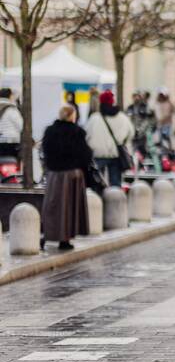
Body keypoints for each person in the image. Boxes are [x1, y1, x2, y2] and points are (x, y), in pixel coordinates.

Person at [40, 105, 91, 251]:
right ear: (72, 116)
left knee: (52, 206)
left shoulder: (50, 131)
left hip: (54, 175)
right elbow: (85, 154)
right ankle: (65, 240)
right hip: (72, 175)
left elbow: (45, 151)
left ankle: (46, 235)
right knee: (69, 209)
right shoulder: (77, 132)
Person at [85, 90, 134, 187]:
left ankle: (99, 200)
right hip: (116, 154)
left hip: (98, 155)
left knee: (97, 182)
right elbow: (131, 133)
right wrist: (122, 142)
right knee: (115, 184)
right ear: (112, 101)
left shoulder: (94, 118)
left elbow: (86, 135)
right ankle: (115, 201)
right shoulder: (122, 117)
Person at [0, 87, 23, 159]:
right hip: (12, 142)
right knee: (13, 163)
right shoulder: (12, 109)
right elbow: (21, 126)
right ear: (10, 96)